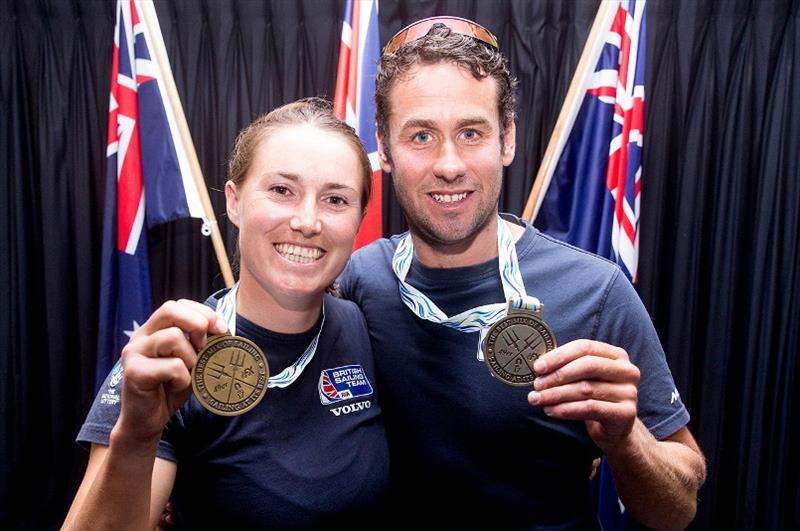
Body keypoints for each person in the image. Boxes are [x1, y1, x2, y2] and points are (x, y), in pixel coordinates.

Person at [337, 17, 706, 530]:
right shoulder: (358, 280)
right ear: (386, 148)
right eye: (421, 135)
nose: (449, 164)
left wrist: (627, 441)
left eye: (471, 133)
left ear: (506, 139)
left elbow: (678, 511)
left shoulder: (596, 293)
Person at [64, 98, 389, 530]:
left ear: (359, 219)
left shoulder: (366, 327)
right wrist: (136, 439)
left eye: (335, 199)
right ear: (234, 202)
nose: (308, 221)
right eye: (281, 191)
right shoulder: (176, 354)